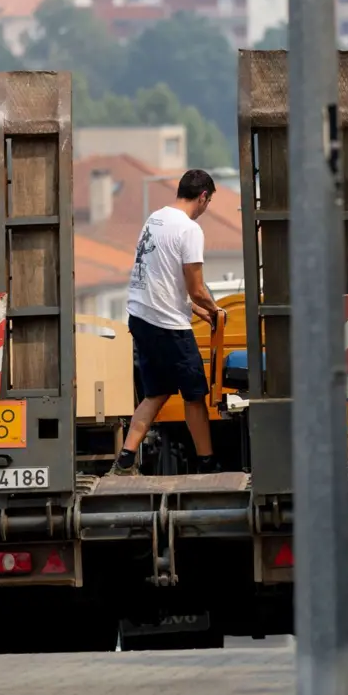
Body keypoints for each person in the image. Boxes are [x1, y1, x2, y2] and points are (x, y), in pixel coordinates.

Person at [110, 169, 227, 477]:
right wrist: (216, 310)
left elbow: (161, 279)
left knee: (157, 392)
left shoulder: (156, 218)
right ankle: (207, 462)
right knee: (194, 394)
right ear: (203, 197)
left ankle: (125, 459)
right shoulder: (189, 229)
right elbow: (196, 288)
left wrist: (193, 308)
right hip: (168, 326)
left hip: (140, 318)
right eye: (208, 202)